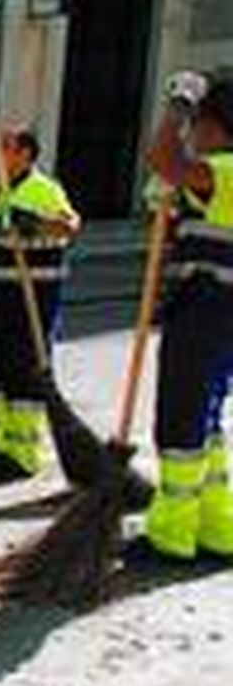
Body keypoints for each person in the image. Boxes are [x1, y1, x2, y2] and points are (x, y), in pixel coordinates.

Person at [142, 73, 233, 561]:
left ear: (214, 126)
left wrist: (178, 101)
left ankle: (172, 534)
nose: (191, 133)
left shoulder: (226, 168)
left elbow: (162, 158)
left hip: (208, 310)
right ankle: (218, 527)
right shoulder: (220, 178)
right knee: (206, 420)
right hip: (217, 311)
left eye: (197, 125)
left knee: (181, 421)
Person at [0, 123, 81, 479]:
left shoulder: (43, 189)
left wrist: (32, 223)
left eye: (7, 147)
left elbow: (70, 226)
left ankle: (23, 450)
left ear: (26, 154)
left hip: (32, 296)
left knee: (25, 368)